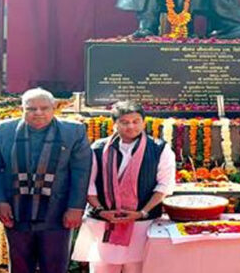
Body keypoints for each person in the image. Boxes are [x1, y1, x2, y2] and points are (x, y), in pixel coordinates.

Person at [0, 88, 92, 273]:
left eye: (44, 108)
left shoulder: (73, 131)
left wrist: (75, 207)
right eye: (31, 109)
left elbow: (81, 171)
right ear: (22, 109)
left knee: (55, 267)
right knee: (20, 267)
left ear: (54, 108)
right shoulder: (3, 130)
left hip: (57, 213)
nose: (38, 113)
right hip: (16, 211)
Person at [72, 101, 176, 273]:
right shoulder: (98, 148)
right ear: (114, 124)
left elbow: (164, 186)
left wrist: (142, 212)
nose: (131, 126)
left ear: (144, 122)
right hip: (104, 222)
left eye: (136, 121)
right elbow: (88, 184)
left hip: (142, 223)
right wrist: (100, 210)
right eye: (124, 122)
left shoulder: (159, 149)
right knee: (102, 268)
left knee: (138, 268)